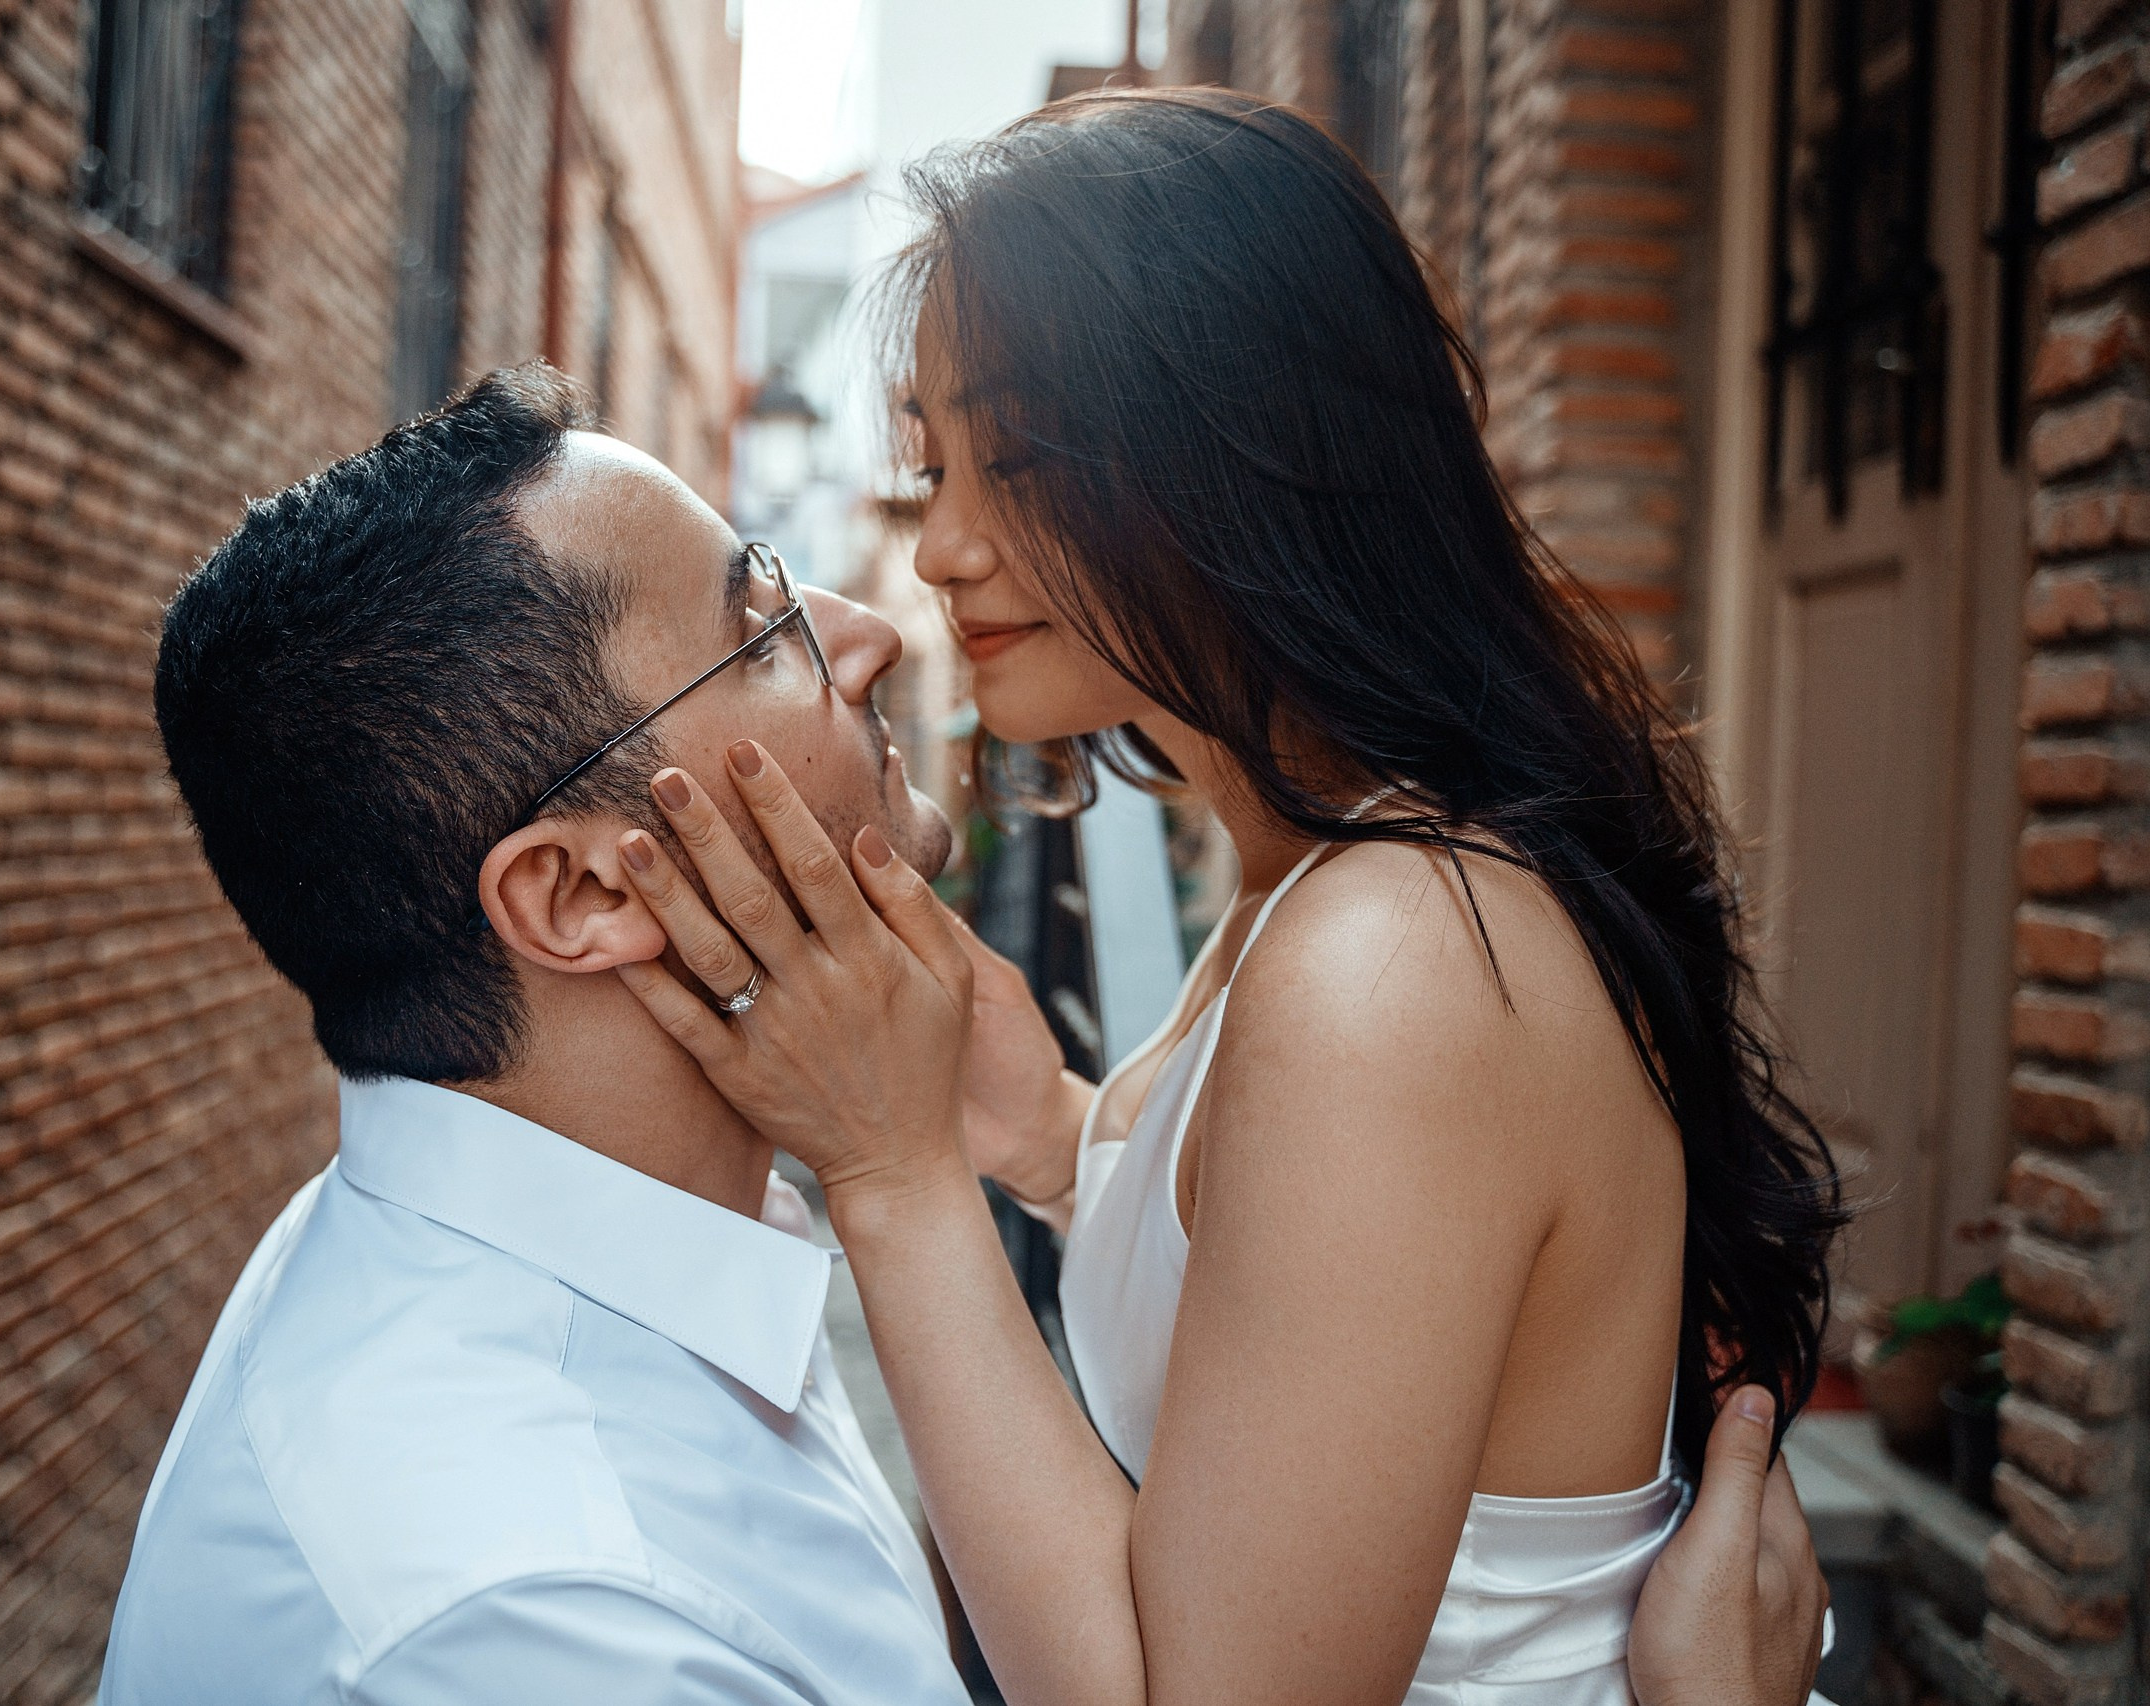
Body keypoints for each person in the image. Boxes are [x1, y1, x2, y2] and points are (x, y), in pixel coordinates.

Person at [97, 365, 1829, 1705]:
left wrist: (1041, 1150)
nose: (873, 625)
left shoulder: (616, 1229)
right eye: (764, 621)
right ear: (581, 891)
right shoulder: (534, 1610)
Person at [607, 90, 1846, 1706]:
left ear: (1249, 446)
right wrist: (1051, 1137)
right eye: (936, 462)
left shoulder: (1390, 960)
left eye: (1019, 456)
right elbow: (1297, 1288)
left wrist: (892, 1171)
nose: (947, 548)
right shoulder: (1319, 881)